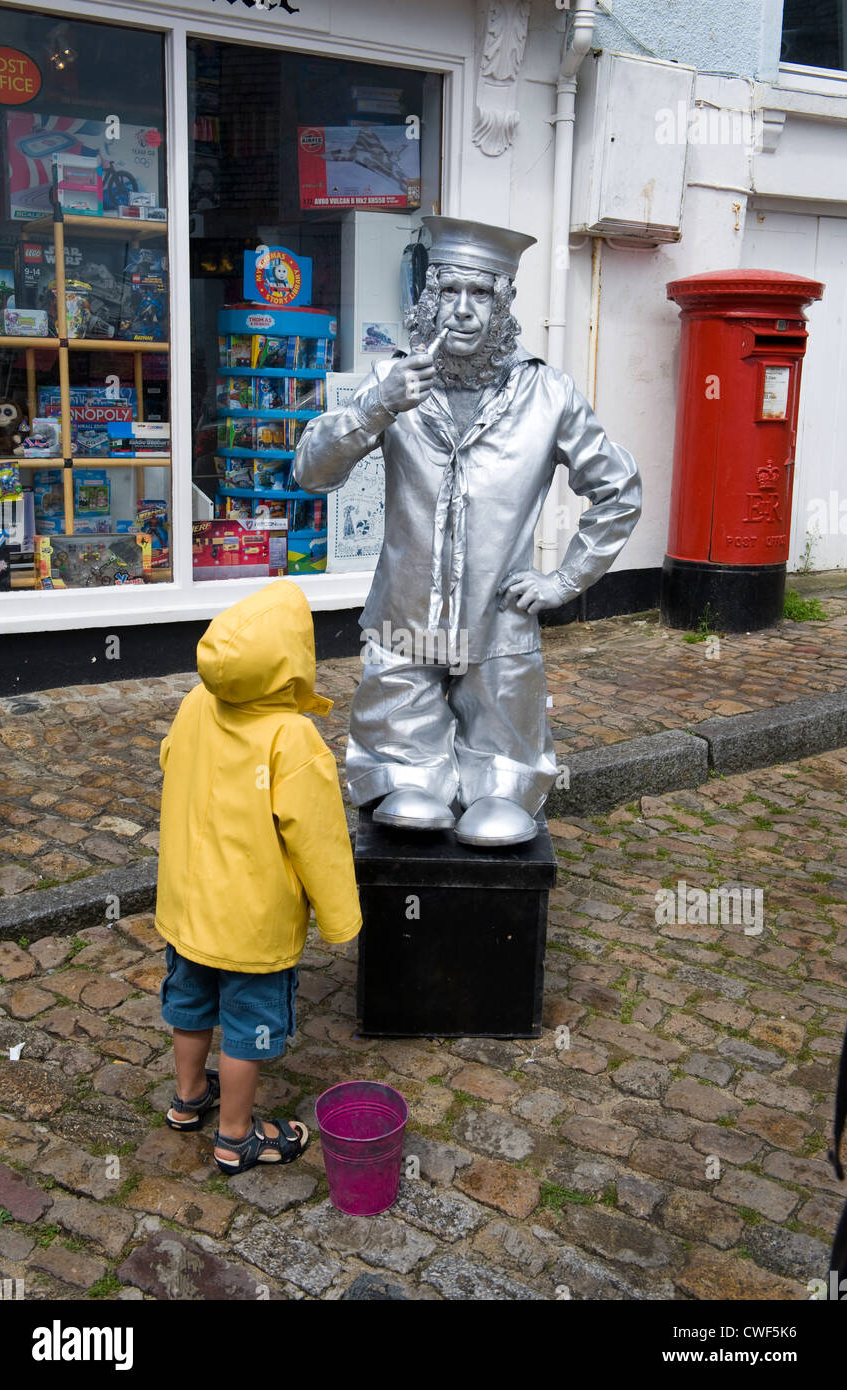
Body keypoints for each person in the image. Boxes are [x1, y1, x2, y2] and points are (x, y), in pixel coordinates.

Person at [294, 215, 642, 847]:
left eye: (479, 294)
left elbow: (618, 489)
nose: (462, 311)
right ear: (428, 300)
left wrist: (567, 579)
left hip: (500, 627)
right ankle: (407, 772)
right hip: (405, 622)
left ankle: (500, 785)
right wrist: (378, 405)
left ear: (503, 302)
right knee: (408, 801)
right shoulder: (393, 381)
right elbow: (311, 473)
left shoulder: (546, 395)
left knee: (502, 796)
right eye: (449, 292)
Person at [154, 580, 362, 1174]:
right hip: (252, 922)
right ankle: (237, 1135)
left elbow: (172, 758)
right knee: (250, 1023)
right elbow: (318, 839)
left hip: (190, 906)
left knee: (190, 1001)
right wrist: (342, 918)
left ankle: (190, 1098)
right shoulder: (290, 738)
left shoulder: (197, 701)